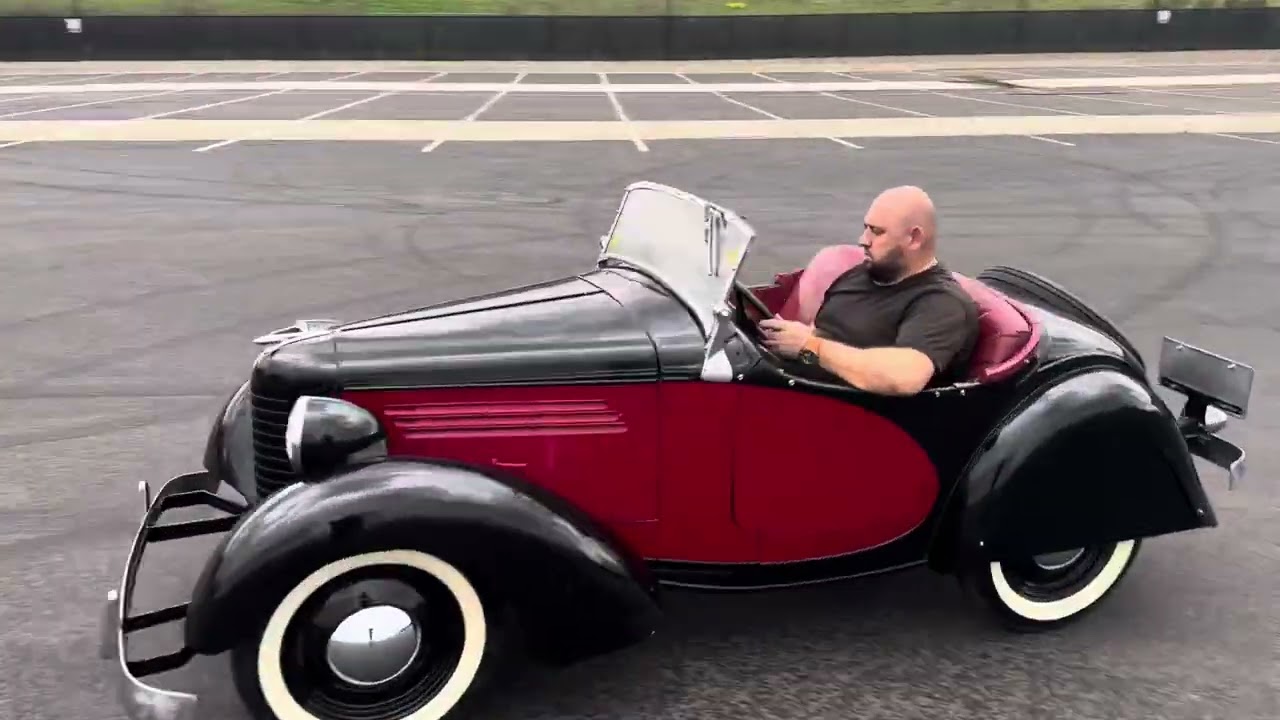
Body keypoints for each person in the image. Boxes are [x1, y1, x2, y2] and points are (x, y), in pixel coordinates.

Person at [759, 185, 979, 396]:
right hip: (798, 388)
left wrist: (809, 347)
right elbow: (826, 335)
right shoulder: (862, 275)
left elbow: (903, 378)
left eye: (877, 232)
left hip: (859, 417)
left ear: (914, 238)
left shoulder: (940, 303)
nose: (863, 240)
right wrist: (797, 337)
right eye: (866, 228)